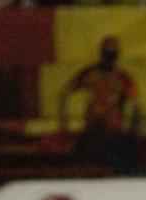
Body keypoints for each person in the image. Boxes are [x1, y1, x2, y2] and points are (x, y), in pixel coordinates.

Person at [58, 36, 140, 173]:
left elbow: (136, 104)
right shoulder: (90, 73)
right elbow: (65, 93)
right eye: (107, 53)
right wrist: (64, 122)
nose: (109, 58)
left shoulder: (122, 77)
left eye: (112, 54)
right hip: (93, 128)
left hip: (113, 130)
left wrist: (132, 128)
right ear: (102, 53)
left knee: (114, 165)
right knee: (86, 164)